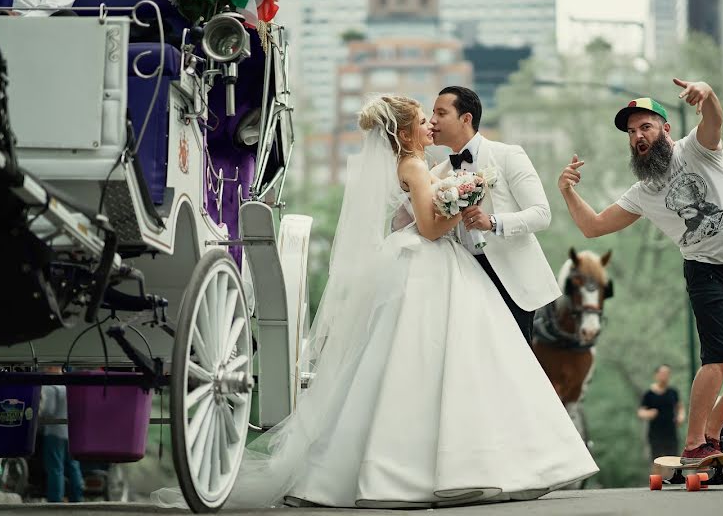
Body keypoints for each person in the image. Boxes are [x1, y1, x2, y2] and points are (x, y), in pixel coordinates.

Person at [154, 96, 598, 509]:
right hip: (432, 262)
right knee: (441, 362)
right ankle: (445, 467)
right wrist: (464, 204)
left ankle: (399, 467)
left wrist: (460, 198)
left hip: (430, 265)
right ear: (405, 134)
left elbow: (412, 218)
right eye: (423, 120)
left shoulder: (421, 164)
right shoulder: (419, 167)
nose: (430, 124)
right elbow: (427, 228)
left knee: (413, 364)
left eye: (436, 115)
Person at [557, 78, 723, 465]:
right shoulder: (641, 192)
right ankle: (696, 443)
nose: (637, 137)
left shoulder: (698, 149)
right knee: (720, 355)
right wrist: (568, 192)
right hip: (705, 272)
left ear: (666, 128)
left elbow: (714, 120)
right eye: (631, 132)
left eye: (645, 127)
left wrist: (708, 93)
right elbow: (593, 227)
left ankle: (713, 429)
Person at [430, 86, 560, 343]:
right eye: (431, 114)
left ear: (465, 118)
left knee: (516, 367)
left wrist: (492, 222)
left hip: (511, 281)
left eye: (440, 113)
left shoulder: (508, 155)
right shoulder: (437, 175)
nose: (432, 120)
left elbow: (542, 214)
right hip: (462, 281)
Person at [39, 369, 83, 503]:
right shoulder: (68, 385)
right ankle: (77, 498)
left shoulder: (51, 387)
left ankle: (55, 500)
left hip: (55, 432)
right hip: (71, 433)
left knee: (55, 468)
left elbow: (48, 410)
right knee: (73, 466)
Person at [638, 364, 685, 472]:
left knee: (673, 459)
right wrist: (649, 413)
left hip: (670, 430)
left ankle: (674, 482)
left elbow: (680, 407)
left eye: (667, 373)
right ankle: (657, 483)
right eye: (662, 373)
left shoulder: (673, 392)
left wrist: (681, 416)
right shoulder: (649, 394)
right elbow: (641, 412)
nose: (665, 376)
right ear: (656, 375)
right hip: (655, 432)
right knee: (657, 460)